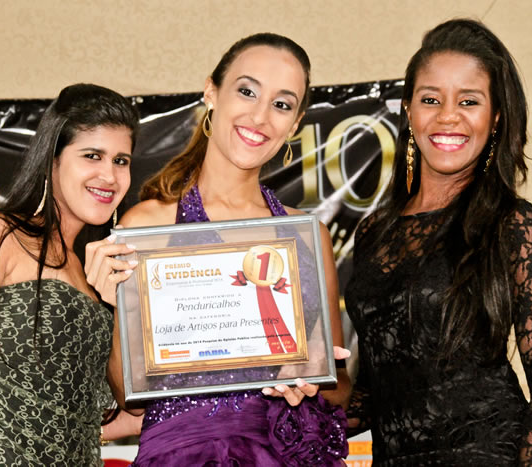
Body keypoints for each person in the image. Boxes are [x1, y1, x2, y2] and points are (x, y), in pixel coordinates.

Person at [90, 33, 351, 466]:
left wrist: (309, 378)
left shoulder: (307, 235)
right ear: (211, 92)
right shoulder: (147, 227)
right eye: (247, 91)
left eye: (281, 104)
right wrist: (112, 302)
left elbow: (339, 389)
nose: (260, 116)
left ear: (296, 122)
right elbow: (128, 394)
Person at [344, 19, 532, 465]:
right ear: (408, 111)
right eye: (430, 99)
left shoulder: (513, 224)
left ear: (496, 118)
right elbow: (379, 386)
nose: (447, 116)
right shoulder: (374, 232)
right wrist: (282, 418)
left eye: (468, 101)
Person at [0, 83, 141, 466]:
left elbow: (115, 409)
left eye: (121, 160)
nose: (109, 175)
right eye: (92, 155)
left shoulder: (95, 276)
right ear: (53, 160)